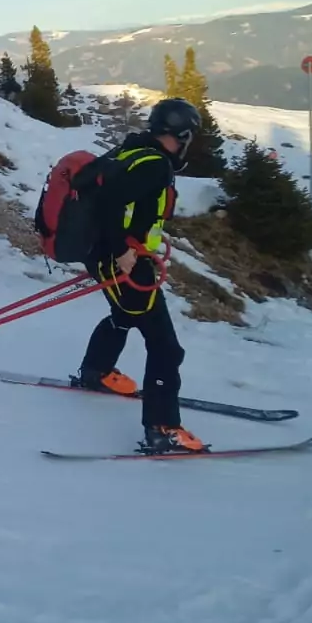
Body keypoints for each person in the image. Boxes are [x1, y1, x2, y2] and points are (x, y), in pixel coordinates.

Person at [74, 98, 204, 453]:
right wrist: (122, 250)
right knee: (166, 347)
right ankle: (163, 427)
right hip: (122, 261)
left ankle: (96, 371)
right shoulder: (155, 165)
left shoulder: (135, 149)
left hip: (106, 254)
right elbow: (107, 204)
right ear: (182, 134)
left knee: (125, 315)